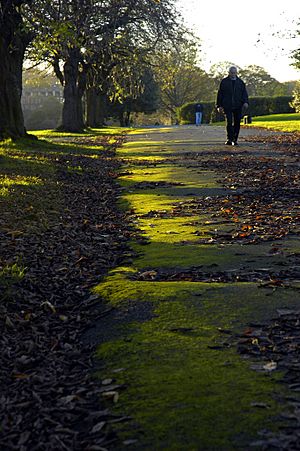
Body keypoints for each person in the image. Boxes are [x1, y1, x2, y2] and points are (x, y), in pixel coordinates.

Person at [216, 66, 249, 146]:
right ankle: (229, 139)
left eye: (234, 72)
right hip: (227, 106)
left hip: (238, 106)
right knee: (229, 122)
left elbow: (244, 93)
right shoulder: (224, 82)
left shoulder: (240, 82)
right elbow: (220, 94)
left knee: (237, 122)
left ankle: (235, 139)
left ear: (236, 73)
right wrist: (219, 105)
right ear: (229, 73)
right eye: (231, 72)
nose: (233, 74)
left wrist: (245, 102)